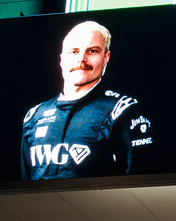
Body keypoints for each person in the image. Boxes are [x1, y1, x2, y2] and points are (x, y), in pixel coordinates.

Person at [20, 20, 152, 180]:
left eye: (92, 51)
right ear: (61, 59)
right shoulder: (34, 115)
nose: (81, 59)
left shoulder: (121, 110)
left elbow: (138, 180)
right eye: (74, 51)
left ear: (106, 57)